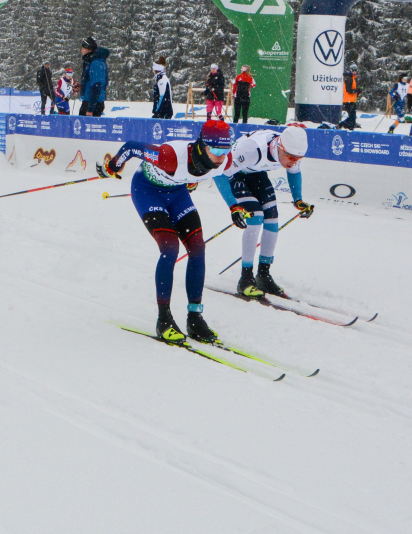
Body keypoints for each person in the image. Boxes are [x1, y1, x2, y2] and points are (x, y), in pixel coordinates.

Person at [96, 119, 234, 343]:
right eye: (216, 149)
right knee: (170, 248)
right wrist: (113, 166)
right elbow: (131, 147)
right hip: (147, 190)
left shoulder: (224, 161)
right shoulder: (169, 155)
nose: (221, 156)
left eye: (226, 149)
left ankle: (195, 317)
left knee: (198, 248)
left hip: (176, 193)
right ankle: (164, 319)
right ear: (202, 145)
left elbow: (221, 173)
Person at [213, 124, 313, 300]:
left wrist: (298, 200)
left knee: (272, 219)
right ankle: (245, 279)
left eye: (298, 158)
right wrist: (233, 206)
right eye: (290, 157)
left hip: (256, 172)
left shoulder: (290, 149)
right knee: (256, 217)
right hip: (235, 174)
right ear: (280, 147)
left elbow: (294, 172)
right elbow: (220, 173)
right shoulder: (252, 149)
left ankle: (263, 275)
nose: (293, 162)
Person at [78, 38, 109, 117]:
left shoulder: (96, 63)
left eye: (83, 48)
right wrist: (82, 87)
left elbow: (96, 86)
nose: (81, 51)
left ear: (89, 49)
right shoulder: (90, 61)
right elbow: (90, 81)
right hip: (89, 101)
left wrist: (90, 109)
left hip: (93, 103)